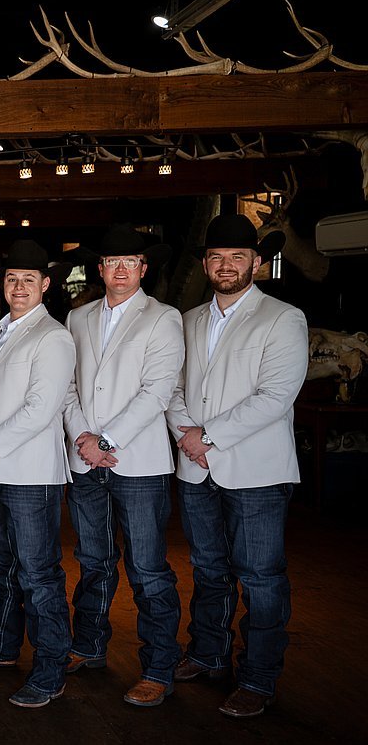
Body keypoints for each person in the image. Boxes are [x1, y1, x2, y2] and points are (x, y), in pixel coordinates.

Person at [167, 214, 307, 718]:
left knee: (262, 576)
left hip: (256, 473)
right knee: (208, 570)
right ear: (206, 264)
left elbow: (276, 395)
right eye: (218, 257)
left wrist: (207, 436)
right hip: (197, 468)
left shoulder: (282, 318)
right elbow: (172, 387)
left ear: (256, 263)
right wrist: (187, 434)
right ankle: (208, 654)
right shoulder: (188, 320)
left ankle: (258, 677)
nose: (227, 265)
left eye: (238, 257)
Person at [62, 224, 184, 707]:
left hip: (139, 462)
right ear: (100, 269)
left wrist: (107, 439)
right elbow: (67, 387)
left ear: (142, 269)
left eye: (129, 262)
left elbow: (158, 390)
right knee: (93, 561)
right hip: (87, 462)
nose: (119, 269)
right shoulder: (78, 318)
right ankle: (88, 645)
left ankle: (158, 667)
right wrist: (83, 439)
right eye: (112, 262)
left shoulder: (164, 318)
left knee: (148, 568)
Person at [0, 239, 75, 709]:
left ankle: (50, 669)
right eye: (12, 279)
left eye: (28, 280)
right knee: (1, 565)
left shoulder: (52, 336)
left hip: (31, 474)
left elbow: (41, 409)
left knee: (39, 572)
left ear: (46, 285)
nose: (18, 287)